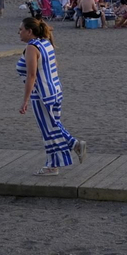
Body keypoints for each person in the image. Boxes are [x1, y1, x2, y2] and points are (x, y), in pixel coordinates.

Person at [17, 17, 83, 173]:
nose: (19, 33)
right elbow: (54, 65)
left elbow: (31, 75)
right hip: (55, 90)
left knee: (48, 130)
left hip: (42, 94)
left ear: (29, 31)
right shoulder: (45, 43)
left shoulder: (32, 47)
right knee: (52, 126)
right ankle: (53, 165)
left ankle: (74, 145)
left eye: (21, 30)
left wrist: (25, 100)